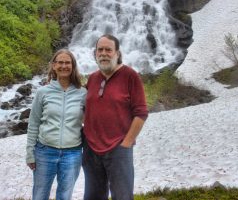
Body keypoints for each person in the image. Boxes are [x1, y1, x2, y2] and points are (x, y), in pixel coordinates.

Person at [83, 34, 148, 200]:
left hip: (119, 148)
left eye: (108, 50)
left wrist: (126, 144)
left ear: (117, 53)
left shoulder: (130, 76)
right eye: (100, 50)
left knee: (122, 196)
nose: (104, 53)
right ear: (95, 53)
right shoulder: (92, 78)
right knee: (93, 196)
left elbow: (141, 113)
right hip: (91, 149)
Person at [26, 49, 87, 200]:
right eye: (60, 62)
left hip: (72, 153)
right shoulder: (43, 92)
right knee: (40, 195)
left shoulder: (82, 93)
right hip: (45, 151)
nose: (64, 66)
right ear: (54, 65)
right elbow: (33, 123)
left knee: (65, 196)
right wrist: (29, 153)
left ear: (73, 66)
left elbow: (91, 120)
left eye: (67, 63)